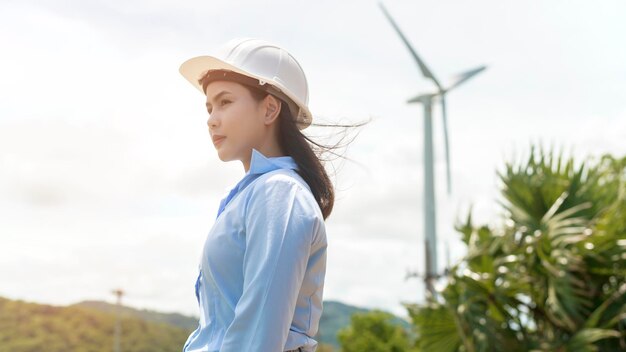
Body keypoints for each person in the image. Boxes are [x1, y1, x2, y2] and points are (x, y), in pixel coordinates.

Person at [178, 38, 344, 352]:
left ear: (269, 109)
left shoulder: (280, 194)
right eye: (210, 107)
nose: (212, 118)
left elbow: (258, 336)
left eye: (225, 102)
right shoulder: (249, 194)